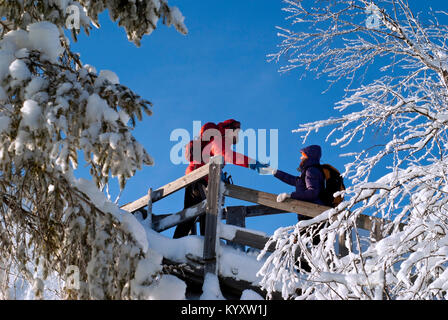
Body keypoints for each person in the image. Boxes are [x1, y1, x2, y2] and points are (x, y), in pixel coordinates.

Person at [173, 119, 268, 238]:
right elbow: (227, 155)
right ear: (229, 130)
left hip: (193, 178)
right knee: (207, 212)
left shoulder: (214, 139)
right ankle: (204, 244)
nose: (238, 135)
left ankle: (179, 243)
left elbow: (214, 160)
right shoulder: (218, 139)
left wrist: (220, 177)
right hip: (201, 179)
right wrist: (252, 163)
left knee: (192, 213)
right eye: (236, 131)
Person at [273, 145, 325, 222]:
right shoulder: (308, 171)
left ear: (309, 156)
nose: (301, 158)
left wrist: (291, 195)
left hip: (313, 213)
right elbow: (293, 180)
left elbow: (313, 193)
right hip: (308, 213)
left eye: (303, 155)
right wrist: (275, 172)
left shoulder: (311, 171)